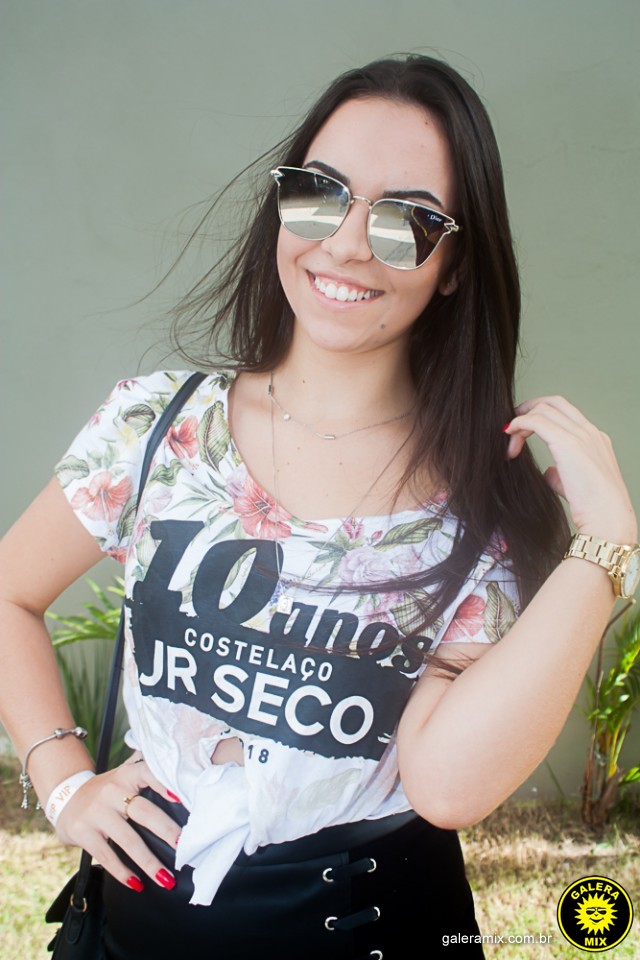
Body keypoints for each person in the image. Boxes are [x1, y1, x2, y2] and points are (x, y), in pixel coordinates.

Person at [0, 55, 638, 960]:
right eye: (319, 193)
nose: (344, 243)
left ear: (455, 265)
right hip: (132, 932)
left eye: (406, 220)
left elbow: (448, 787)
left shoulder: (480, 507)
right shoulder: (158, 424)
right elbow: (10, 593)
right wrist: (63, 781)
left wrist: (606, 547)